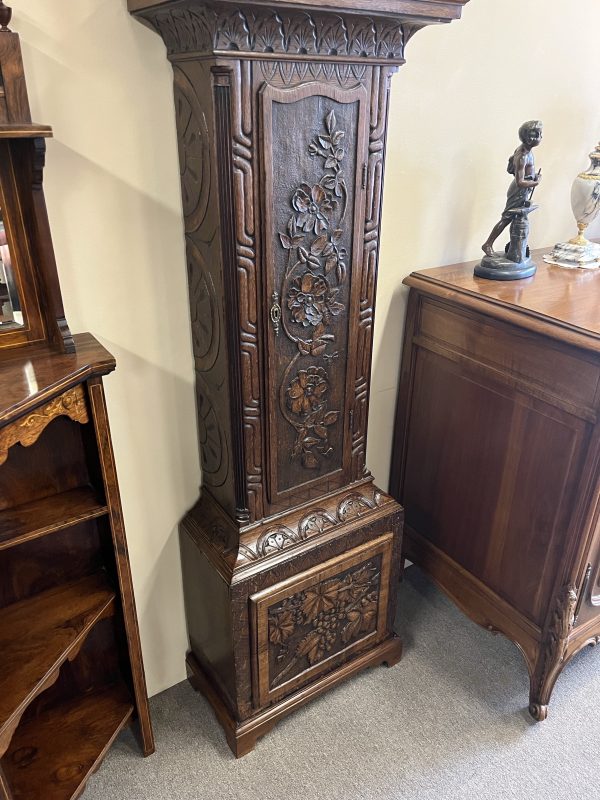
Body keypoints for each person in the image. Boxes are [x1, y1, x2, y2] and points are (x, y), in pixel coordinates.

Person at [482, 120, 543, 256]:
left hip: (523, 191)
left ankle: (514, 248)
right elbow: (520, 182)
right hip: (518, 191)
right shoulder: (522, 155)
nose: (541, 137)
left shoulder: (527, 151)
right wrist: (536, 182)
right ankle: (487, 244)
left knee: (517, 218)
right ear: (529, 138)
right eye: (538, 134)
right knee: (506, 218)